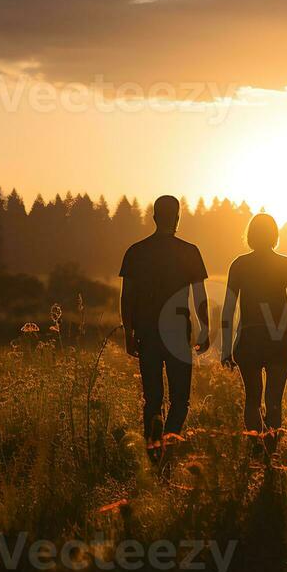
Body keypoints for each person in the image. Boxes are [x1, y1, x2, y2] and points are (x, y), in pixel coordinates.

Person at [119, 195, 210, 461]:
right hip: (178, 333)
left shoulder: (136, 251)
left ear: (154, 217)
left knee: (153, 398)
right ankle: (168, 446)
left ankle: (154, 451)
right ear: (177, 218)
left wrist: (128, 332)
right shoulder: (189, 251)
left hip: (146, 332)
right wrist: (204, 329)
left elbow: (127, 297)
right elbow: (200, 296)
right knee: (180, 398)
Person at [220, 213, 287, 452]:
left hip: (249, 339)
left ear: (251, 235)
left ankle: (255, 448)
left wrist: (226, 348)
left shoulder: (239, 264)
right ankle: (270, 451)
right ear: (274, 235)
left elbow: (228, 310)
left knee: (252, 399)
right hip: (280, 340)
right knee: (273, 401)